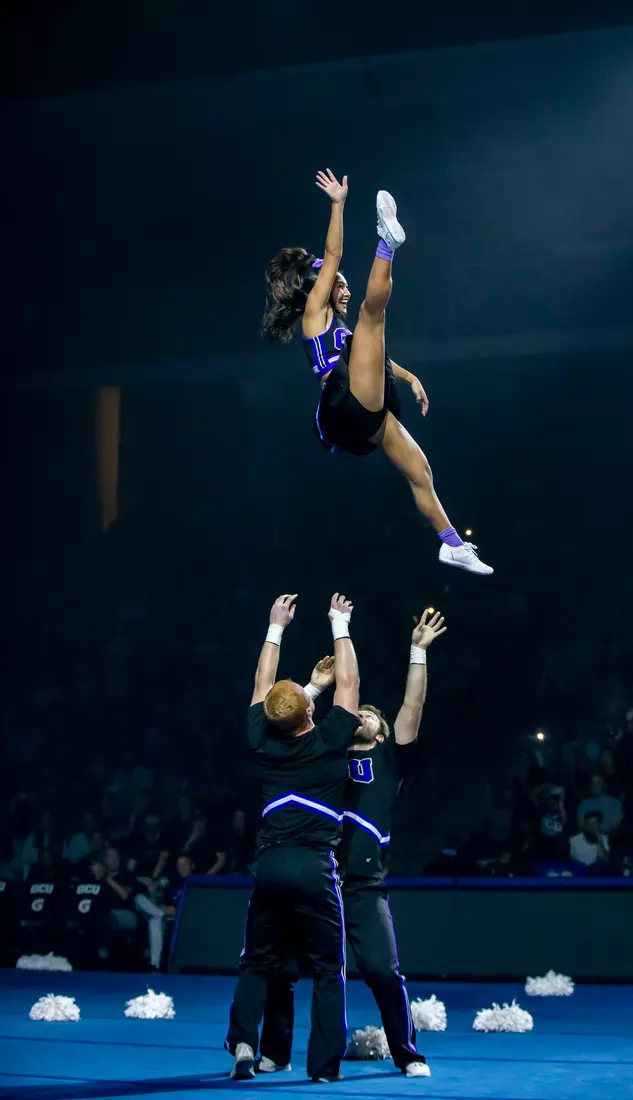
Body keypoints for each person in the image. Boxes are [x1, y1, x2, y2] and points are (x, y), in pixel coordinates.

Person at [261, 169, 492, 577]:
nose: (345, 290)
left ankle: (452, 545)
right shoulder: (315, 316)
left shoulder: (346, 332)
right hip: (341, 402)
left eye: (348, 283)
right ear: (323, 290)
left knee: (420, 471)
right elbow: (332, 257)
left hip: (361, 408)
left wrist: (409, 377)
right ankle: (387, 244)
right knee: (373, 316)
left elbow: (376, 358)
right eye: (341, 285)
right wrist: (338, 204)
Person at [258, 609, 446, 1079]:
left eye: (369, 714)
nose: (360, 714)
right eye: (356, 711)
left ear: (380, 730)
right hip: (315, 877)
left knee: (383, 969)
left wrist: (417, 652)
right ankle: (274, 1052)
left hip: (362, 884)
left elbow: (412, 708)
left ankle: (407, 1052)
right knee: (282, 967)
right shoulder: (324, 750)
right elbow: (286, 715)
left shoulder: (389, 755)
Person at [225, 593, 361, 1084]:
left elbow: (263, 687)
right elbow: (350, 681)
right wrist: (339, 622)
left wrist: (274, 627)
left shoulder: (259, 740)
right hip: (314, 866)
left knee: (258, 959)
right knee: (328, 968)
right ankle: (323, 1067)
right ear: (308, 711)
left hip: (271, 865)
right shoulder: (329, 743)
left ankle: (244, 1042)